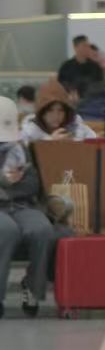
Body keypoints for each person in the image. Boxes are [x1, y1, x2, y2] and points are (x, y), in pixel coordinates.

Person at [0, 97, 60, 319]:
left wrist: (11, 187)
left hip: (22, 205)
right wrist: (6, 182)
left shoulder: (20, 149)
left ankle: (33, 287)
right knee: (6, 231)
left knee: (42, 229)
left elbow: (32, 184)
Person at [19, 96, 96, 144]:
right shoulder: (29, 132)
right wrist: (50, 142)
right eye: (50, 110)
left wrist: (74, 143)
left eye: (61, 110)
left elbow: (94, 143)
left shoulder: (77, 128)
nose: (56, 115)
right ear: (42, 113)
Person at [56, 35, 104, 100]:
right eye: (84, 46)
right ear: (76, 48)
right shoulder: (66, 67)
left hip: (92, 101)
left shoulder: (95, 67)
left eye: (88, 46)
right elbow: (60, 84)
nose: (87, 48)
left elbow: (99, 84)